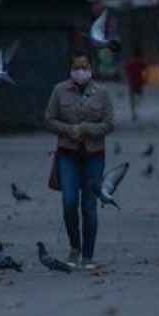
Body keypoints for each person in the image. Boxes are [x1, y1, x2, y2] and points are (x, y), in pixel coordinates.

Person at [44, 51, 115, 268]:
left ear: (91, 70)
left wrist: (85, 129)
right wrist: (69, 130)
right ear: (71, 70)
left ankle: (88, 255)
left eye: (84, 67)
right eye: (77, 67)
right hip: (68, 154)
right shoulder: (59, 90)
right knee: (69, 201)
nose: (80, 71)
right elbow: (49, 119)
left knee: (89, 205)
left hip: (94, 155)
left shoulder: (101, 93)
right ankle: (74, 246)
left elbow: (109, 124)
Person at [123, 53, 147, 122]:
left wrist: (127, 79)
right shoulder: (141, 63)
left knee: (133, 98)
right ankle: (135, 111)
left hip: (133, 83)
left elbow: (126, 72)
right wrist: (145, 79)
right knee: (138, 97)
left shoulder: (130, 64)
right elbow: (144, 72)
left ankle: (134, 112)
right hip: (138, 82)